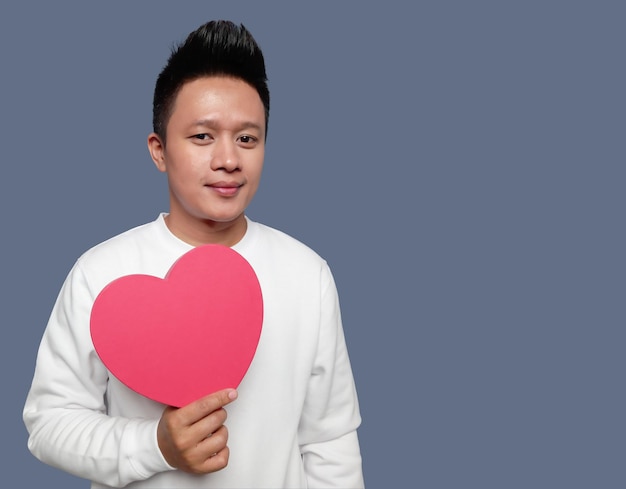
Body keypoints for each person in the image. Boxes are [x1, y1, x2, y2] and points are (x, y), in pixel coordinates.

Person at [23, 20, 364, 489]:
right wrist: (156, 446)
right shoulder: (100, 272)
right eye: (203, 137)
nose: (228, 159)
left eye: (248, 138)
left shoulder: (308, 274)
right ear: (159, 150)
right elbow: (48, 423)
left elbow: (330, 443)